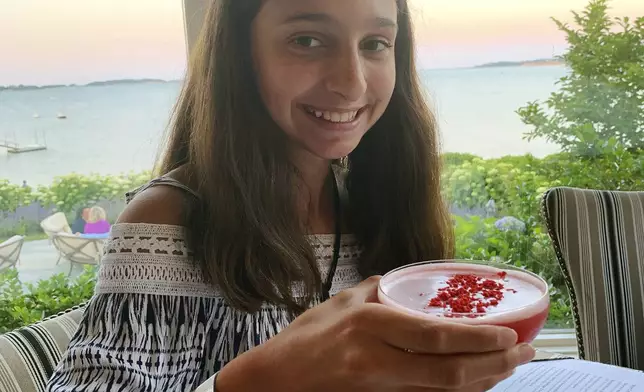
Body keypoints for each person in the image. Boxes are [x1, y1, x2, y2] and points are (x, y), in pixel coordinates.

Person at [47, 1, 535, 391]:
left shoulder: (382, 204)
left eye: (374, 43)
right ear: (240, 54)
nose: (352, 83)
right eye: (307, 40)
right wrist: (262, 378)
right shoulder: (172, 219)